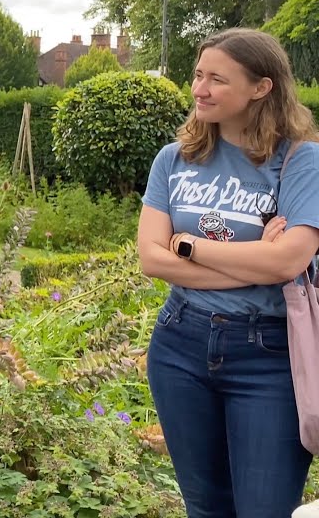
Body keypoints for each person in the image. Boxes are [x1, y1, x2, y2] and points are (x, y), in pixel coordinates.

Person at [138, 28, 319, 517]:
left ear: (261, 88)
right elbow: (152, 259)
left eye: (217, 79)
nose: (199, 89)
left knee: (264, 509)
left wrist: (190, 247)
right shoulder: (174, 159)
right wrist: (255, 256)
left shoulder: (300, 162)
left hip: (270, 358)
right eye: (198, 75)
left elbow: (288, 261)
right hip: (180, 345)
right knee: (206, 508)